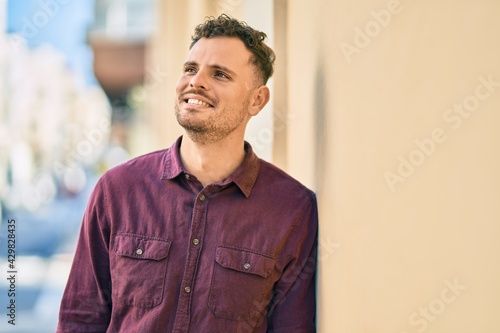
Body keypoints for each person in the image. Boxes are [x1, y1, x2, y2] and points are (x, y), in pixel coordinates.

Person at [57, 14, 318, 333]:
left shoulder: (291, 209)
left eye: (220, 74)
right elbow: (80, 318)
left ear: (257, 100)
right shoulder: (117, 190)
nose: (196, 82)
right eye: (190, 69)